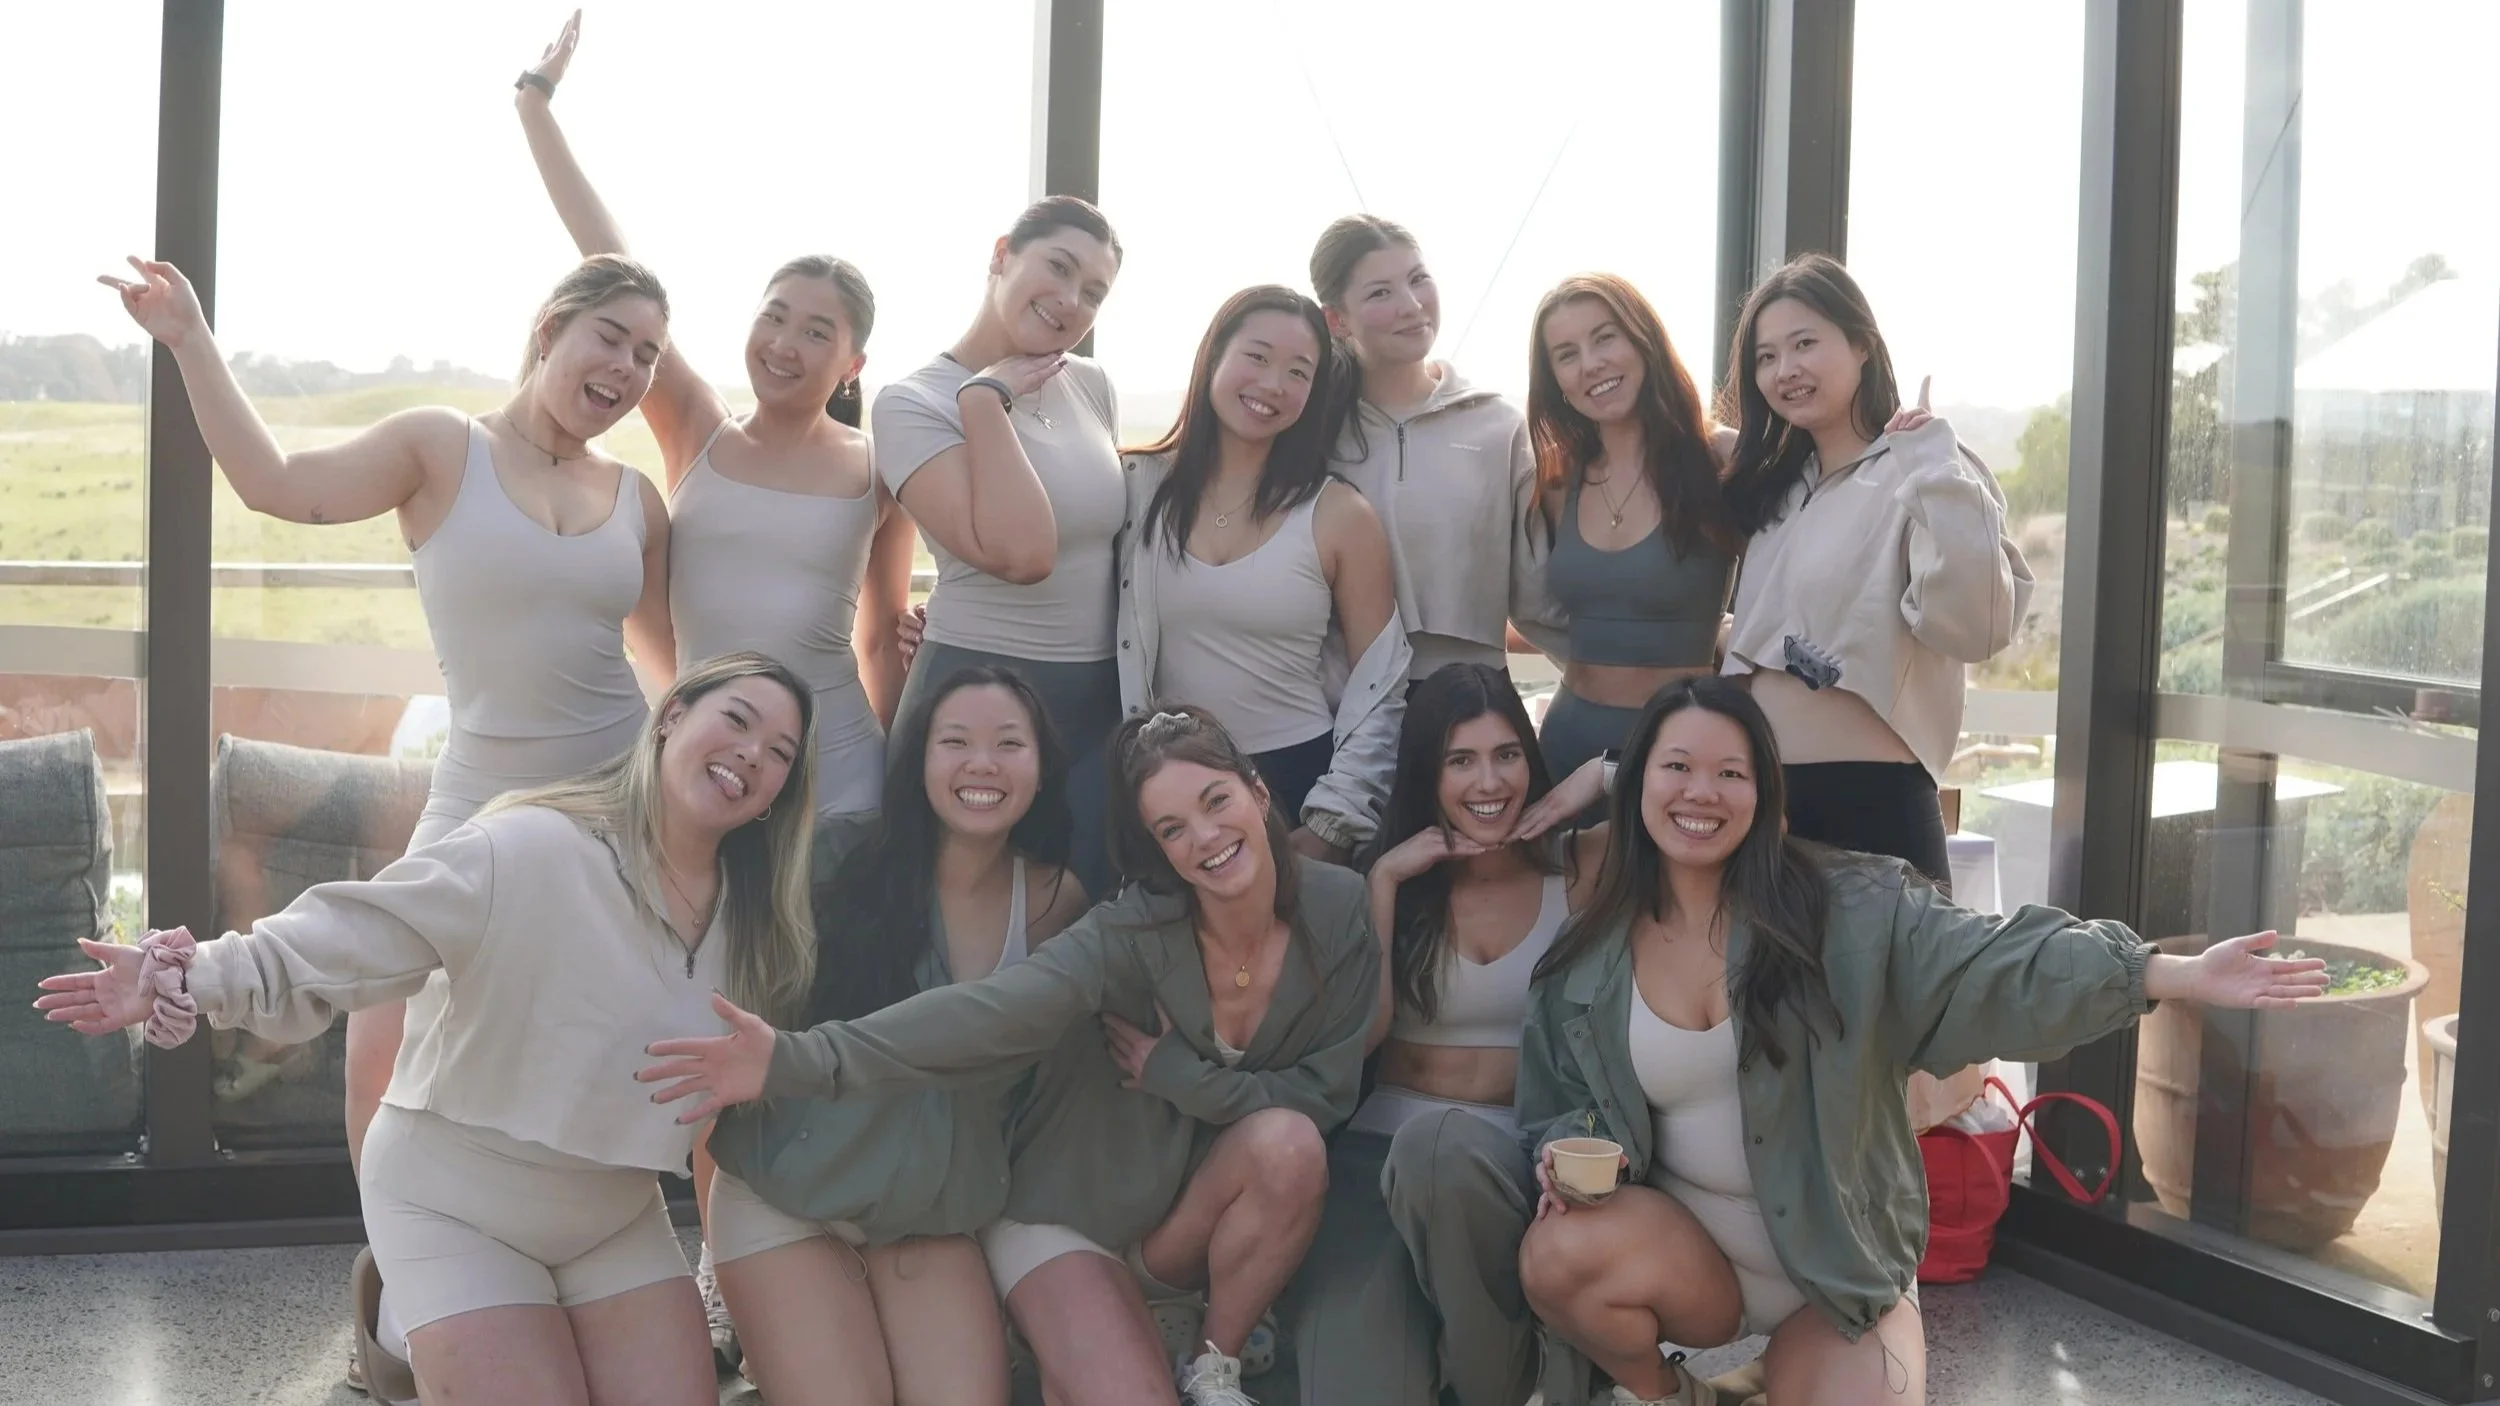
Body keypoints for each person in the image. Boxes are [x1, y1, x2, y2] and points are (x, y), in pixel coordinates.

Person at [1509, 677, 2327, 1406]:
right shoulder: (1590, 958)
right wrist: (1567, 1152)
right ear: (1637, 785)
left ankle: (1803, 1364)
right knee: (1556, 1255)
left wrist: (2162, 972)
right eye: (1678, 767)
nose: (1702, 792)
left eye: (1732, 773)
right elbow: (1565, 1104)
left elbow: (1996, 959)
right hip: (1695, 1262)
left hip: (1835, 1267)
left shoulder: (1853, 912)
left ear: (1766, 797)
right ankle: (1679, 1397)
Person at [100, 251, 676, 1284]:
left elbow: (677, 671)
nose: (628, 367)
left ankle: (584, 1259)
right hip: (480, 791)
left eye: (649, 354)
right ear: (552, 327)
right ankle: (408, 1279)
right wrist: (188, 340)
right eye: (612, 337)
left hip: (616, 801)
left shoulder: (639, 499)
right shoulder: (441, 447)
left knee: (602, 1042)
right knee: (380, 1044)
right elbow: (276, 485)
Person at [37, 653, 822, 1406]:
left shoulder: (760, 928)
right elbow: (353, 934)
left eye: (779, 752)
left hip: (613, 1216)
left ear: (777, 795)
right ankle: (408, 1307)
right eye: (737, 720)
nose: (751, 754)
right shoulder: (533, 846)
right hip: (454, 1203)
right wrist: (191, 974)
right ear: (671, 716)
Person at [639, 706, 1378, 1406]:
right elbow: (983, 1017)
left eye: (1217, 801)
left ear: (1256, 790)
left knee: (1290, 1143)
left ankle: (1212, 1361)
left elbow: (1327, 1095)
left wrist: (1179, 1075)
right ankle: (1075, 1333)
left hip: (1190, 1222)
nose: (1206, 837)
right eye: (1172, 829)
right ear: (1155, 849)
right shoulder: (1127, 936)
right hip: (1070, 1214)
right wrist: (795, 1058)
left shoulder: (1338, 907)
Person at [516, 10, 913, 817]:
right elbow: (608, 257)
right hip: (704, 772)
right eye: (774, 317)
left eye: (817, 332)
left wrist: (908, 791)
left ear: (852, 365)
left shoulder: (881, 469)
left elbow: (879, 640)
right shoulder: (699, 427)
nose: (785, 344)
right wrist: (535, 105)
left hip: (839, 781)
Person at [703, 665, 1088, 1405]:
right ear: (916, 760)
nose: (982, 763)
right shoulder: (835, 858)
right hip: (787, 1197)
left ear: (1043, 768)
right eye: (956, 742)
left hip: (928, 1217)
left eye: (1010, 744)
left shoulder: (1054, 901)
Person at [1286, 663, 1594, 1406]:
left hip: (1515, 1159)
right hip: (1376, 1158)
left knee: (1442, 1150)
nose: (1489, 781)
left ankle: (1508, 1373)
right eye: (1461, 760)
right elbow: (1361, 1039)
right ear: (1428, 772)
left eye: (1507, 754)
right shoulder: (1384, 880)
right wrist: (1384, 884)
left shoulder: (1582, 864)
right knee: (1353, 1389)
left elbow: (1742, 811)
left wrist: (1601, 775)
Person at [1716, 253, 2034, 886]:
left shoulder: (1922, 466)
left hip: (1873, 807)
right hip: (1762, 807)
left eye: (1805, 343)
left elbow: (1977, 627)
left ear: (1861, 344)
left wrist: (1935, 472)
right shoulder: (1778, 489)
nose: (1786, 369)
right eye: (1766, 356)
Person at [876, 195, 1127, 897]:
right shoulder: (913, 403)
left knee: (1079, 916)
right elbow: (1023, 554)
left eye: (1095, 292)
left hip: (1096, 707)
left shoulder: (1092, 387)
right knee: (950, 918)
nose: (1071, 300)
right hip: (973, 695)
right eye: (1059, 267)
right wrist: (984, 399)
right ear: (1001, 255)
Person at [1117, 284, 1405, 858]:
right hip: (1168, 784)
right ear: (1214, 357)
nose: (1274, 384)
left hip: (1296, 781)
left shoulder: (1340, 514)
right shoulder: (1138, 489)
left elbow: (1382, 684)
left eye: (1299, 372)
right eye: (1257, 356)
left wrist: (1330, 825)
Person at [1307, 215, 1567, 687]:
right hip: (1341, 706)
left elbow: (1538, 600)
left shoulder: (1499, 426)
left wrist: (1621, 683)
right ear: (1335, 319)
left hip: (1474, 701)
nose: (1411, 306)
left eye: (1418, 279)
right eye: (1380, 293)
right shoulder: (1311, 433)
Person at [1526, 273, 1739, 795]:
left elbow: (1782, 601)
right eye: (1567, 354)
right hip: (1568, 740)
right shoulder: (1556, 480)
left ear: (1644, 340)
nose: (1591, 364)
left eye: (1605, 338)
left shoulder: (1721, 461)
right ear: (1555, 381)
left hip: (1683, 748)